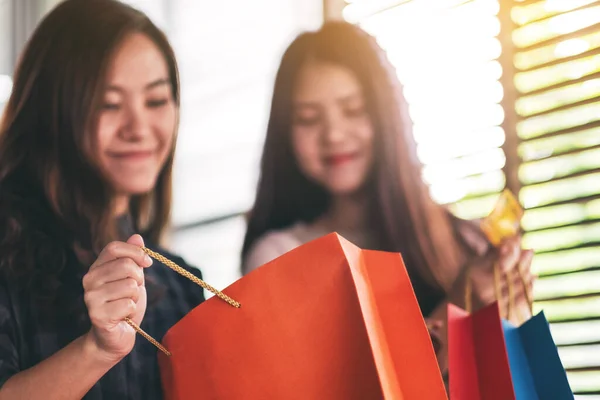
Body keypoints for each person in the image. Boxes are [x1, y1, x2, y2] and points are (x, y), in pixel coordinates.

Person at [241, 21, 534, 373]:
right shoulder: (277, 258)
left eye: (354, 110)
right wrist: (458, 308)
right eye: (308, 118)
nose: (333, 134)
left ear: (387, 116)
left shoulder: (468, 241)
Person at [0, 1, 205, 398]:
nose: (139, 128)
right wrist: (96, 349)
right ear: (52, 113)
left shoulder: (181, 285)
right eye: (108, 104)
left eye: (157, 100)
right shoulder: (8, 257)